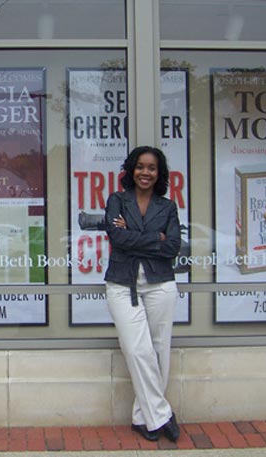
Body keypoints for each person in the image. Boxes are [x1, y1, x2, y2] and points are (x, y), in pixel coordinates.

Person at [104, 146, 181, 442]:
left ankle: (142, 417)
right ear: (131, 170)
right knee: (138, 350)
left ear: (158, 173)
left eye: (151, 167)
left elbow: (173, 247)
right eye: (140, 166)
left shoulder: (167, 206)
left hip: (160, 283)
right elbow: (117, 238)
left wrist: (137, 237)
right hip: (122, 285)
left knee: (159, 350)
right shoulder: (117, 200)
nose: (145, 172)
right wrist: (155, 238)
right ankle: (162, 415)